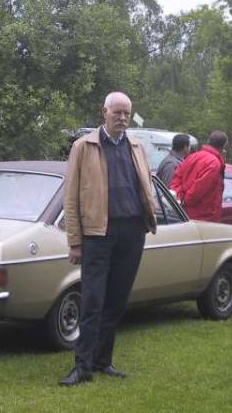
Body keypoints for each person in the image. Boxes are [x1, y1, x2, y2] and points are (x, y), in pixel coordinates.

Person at [60, 91, 157, 387]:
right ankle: (82, 366)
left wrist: (149, 213)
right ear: (104, 112)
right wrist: (75, 242)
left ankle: (104, 361)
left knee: (116, 302)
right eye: (117, 113)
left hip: (132, 233)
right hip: (97, 234)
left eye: (126, 113)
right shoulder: (83, 146)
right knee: (92, 302)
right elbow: (71, 197)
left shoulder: (136, 146)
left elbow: (145, 186)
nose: (123, 118)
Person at [169, 131, 228, 222]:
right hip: (204, 214)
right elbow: (200, 187)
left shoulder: (192, 156)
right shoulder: (214, 162)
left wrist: (179, 197)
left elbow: (177, 178)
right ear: (223, 146)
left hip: (185, 212)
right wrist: (186, 200)